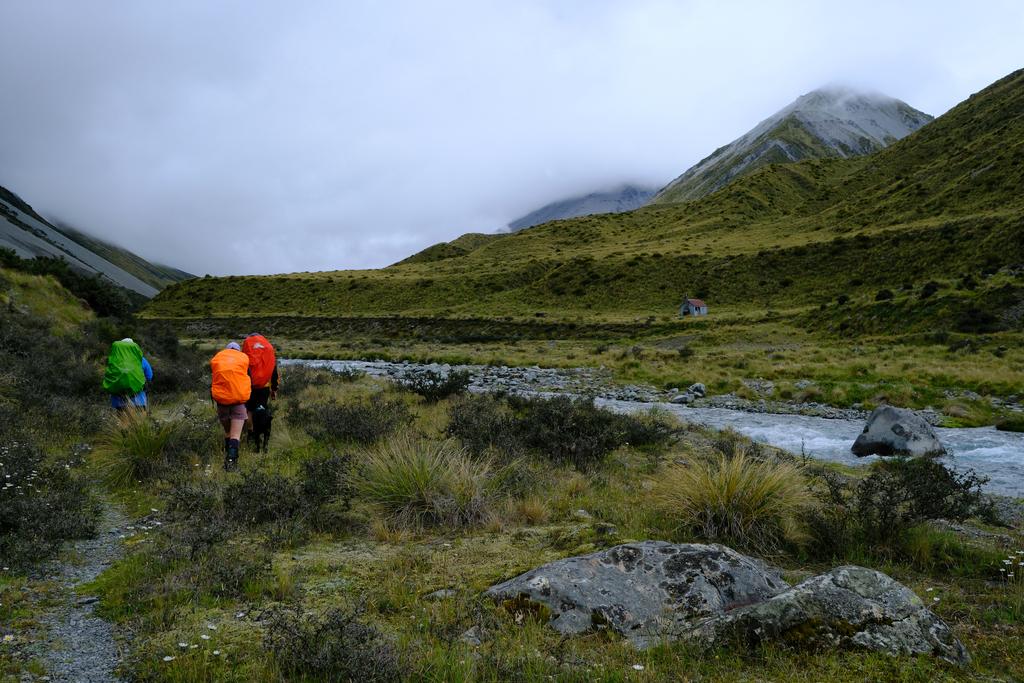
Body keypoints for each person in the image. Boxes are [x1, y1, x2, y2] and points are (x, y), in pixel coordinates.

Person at [210, 341, 251, 471]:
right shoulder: (243, 359)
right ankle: (231, 463)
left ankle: (227, 461)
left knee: (228, 432)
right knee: (235, 435)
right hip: (238, 402)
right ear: (238, 351)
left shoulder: (219, 358)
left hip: (222, 402)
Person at [241, 332, 279, 431]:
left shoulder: (247, 346)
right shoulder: (268, 347)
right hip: (265, 386)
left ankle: (250, 432)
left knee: (249, 410)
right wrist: (274, 389)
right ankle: (262, 429)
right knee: (262, 408)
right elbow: (273, 370)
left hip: (250, 386)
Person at [102, 338, 153, 410]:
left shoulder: (112, 360)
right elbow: (149, 375)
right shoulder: (141, 359)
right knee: (140, 418)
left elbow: (108, 375)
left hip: (118, 399)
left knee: (121, 418)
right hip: (138, 399)